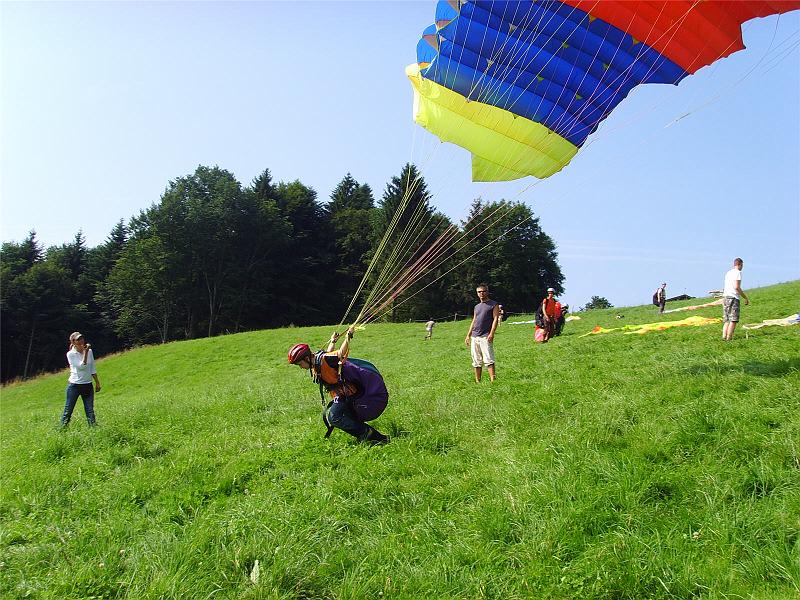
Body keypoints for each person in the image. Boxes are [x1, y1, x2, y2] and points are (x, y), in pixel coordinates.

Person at [288, 327, 389, 444]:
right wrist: (332, 342)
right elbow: (328, 355)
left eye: (300, 364)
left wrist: (348, 337)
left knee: (334, 416)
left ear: (306, 358)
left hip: (344, 393)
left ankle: (367, 434)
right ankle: (379, 438)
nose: (301, 367)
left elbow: (339, 354)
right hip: (341, 394)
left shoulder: (322, 359)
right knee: (348, 417)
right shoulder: (317, 360)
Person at [60, 331, 101, 427]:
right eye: (78, 339)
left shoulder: (89, 351)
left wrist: (97, 382)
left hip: (87, 385)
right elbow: (81, 366)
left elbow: (92, 368)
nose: (81, 341)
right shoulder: (71, 354)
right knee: (68, 411)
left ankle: (94, 430)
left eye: (81, 338)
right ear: (73, 342)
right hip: (75, 386)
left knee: (90, 411)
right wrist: (85, 352)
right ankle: (62, 429)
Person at [464, 283, 500, 382]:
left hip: (485, 336)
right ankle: (477, 381)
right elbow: (474, 320)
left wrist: (492, 333)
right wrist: (468, 335)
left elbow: (495, 319)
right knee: (476, 360)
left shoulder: (493, 304)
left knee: (489, 359)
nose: (481, 293)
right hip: (475, 336)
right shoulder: (477, 307)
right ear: (477, 293)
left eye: (483, 291)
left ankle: (493, 380)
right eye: (479, 292)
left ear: (487, 292)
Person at [722, 258, 750, 341]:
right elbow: (736, 287)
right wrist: (745, 297)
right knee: (733, 320)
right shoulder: (738, 273)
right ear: (740, 264)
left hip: (726, 297)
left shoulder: (728, 273)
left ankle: (724, 337)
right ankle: (729, 338)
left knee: (727, 319)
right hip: (733, 298)